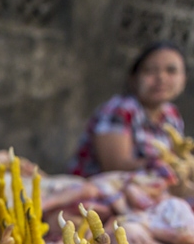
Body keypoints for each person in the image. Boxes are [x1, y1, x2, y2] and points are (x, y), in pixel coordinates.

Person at [69, 41, 187, 184]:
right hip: (98, 191)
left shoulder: (171, 114)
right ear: (134, 78)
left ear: (183, 78)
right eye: (150, 71)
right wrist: (159, 164)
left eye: (171, 71)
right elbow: (114, 167)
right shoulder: (119, 110)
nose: (161, 78)